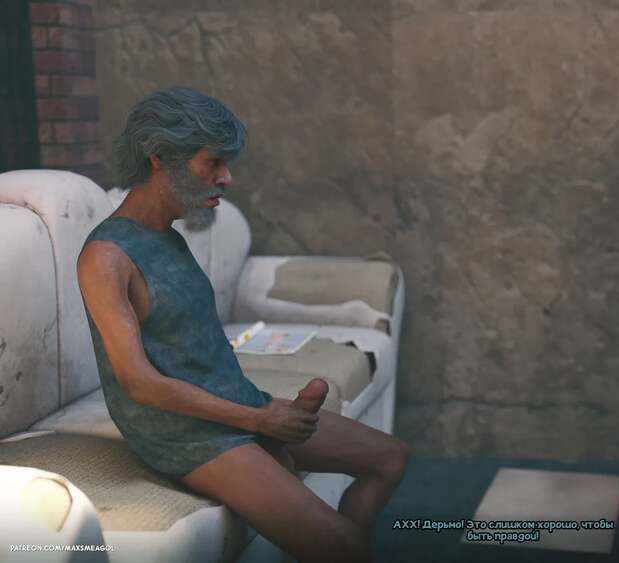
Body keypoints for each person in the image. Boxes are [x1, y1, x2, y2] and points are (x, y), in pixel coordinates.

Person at [76, 86, 409, 563]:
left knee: (390, 458)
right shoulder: (106, 256)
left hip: (236, 404)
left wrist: (260, 410)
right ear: (159, 157)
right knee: (345, 547)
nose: (226, 178)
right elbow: (138, 383)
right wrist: (261, 420)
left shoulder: (166, 236)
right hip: (185, 436)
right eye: (212, 163)